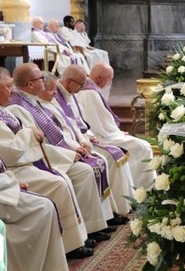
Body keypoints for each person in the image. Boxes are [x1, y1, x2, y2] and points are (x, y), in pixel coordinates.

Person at [0, 66, 92, 258]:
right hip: (10, 171)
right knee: (58, 184)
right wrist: (29, 133)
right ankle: (68, 246)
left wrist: (28, 132)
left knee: (62, 180)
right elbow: (10, 151)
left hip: (17, 166)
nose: (12, 90)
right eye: (8, 86)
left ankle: (71, 242)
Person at [7, 64, 112, 242]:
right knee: (82, 173)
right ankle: (75, 238)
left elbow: (58, 131)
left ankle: (92, 226)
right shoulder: (18, 107)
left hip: (54, 154)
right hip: (39, 161)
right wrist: (69, 154)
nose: (44, 80)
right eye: (41, 78)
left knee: (90, 167)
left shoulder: (32, 101)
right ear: (31, 84)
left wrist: (73, 147)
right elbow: (35, 143)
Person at [40, 72, 133, 219]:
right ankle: (99, 219)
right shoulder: (49, 103)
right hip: (62, 152)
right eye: (51, 89)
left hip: (80, 141)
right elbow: (58, 134)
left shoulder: (66, 98)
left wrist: (86, 139)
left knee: (108, 157)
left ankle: (112, 212)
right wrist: (77, 145)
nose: (55, 92)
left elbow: (75, 123)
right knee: (101, 161)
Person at [73, 63, 156, 187]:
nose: (110, 83)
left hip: (97, 134)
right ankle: (141, 187)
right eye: (110, 79)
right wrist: (117, 132)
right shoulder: (91, 93)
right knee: (144, 147)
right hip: (99, 138)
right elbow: (99, 126)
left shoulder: (86, 89)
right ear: (99, 78)